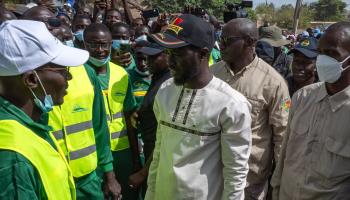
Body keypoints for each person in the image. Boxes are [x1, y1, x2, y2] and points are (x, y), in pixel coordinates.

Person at [146, 14, 252, 200]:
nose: (170, 61)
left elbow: (235, 172)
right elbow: (159, 152)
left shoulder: (231, 104)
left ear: (203, 54)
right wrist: (151, 194)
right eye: (168, 53)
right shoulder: (165, 91)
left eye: (177, 54)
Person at [0, 20, 88, 199]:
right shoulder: (13, 158)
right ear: (31, 79)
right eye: (63, 71)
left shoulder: (30, 123)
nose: (69, 76)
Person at [211, 18, 290, 200]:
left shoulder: (273, 82)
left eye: (227, 41)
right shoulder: (213, 74)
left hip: (249, 181)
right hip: (213, 173)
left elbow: (282, 136)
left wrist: (277, 183)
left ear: (250, 42)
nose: (220, 45)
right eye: (219, 39)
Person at [271, 21, 350, 200]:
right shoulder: (302, 97)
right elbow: (284, 155)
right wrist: (275, 190)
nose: (322, 60)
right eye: (320, 53)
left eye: (331, 54)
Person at [48, 26, 121, 200]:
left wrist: (109, 175)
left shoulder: (87, 73)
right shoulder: (20, 85)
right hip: (50, 180)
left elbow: (100, 129)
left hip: (88, 180)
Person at [83, 23, 141, 200]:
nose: (100, 50)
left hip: (121, 151)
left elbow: (129, 115)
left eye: (105, 44)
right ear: (84, 45)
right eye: (94, 44)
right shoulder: (78, 75)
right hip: (94, 153)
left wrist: (135, 156)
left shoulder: (121, 74)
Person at [128, 42, 171, 191]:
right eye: (147, 57)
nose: (147, 62)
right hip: (150, 153)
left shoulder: (169, 84)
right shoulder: (158, 78)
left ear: (168, 56)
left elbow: (165, 136)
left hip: (159, 158)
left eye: (154, 57)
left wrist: (143, 172)